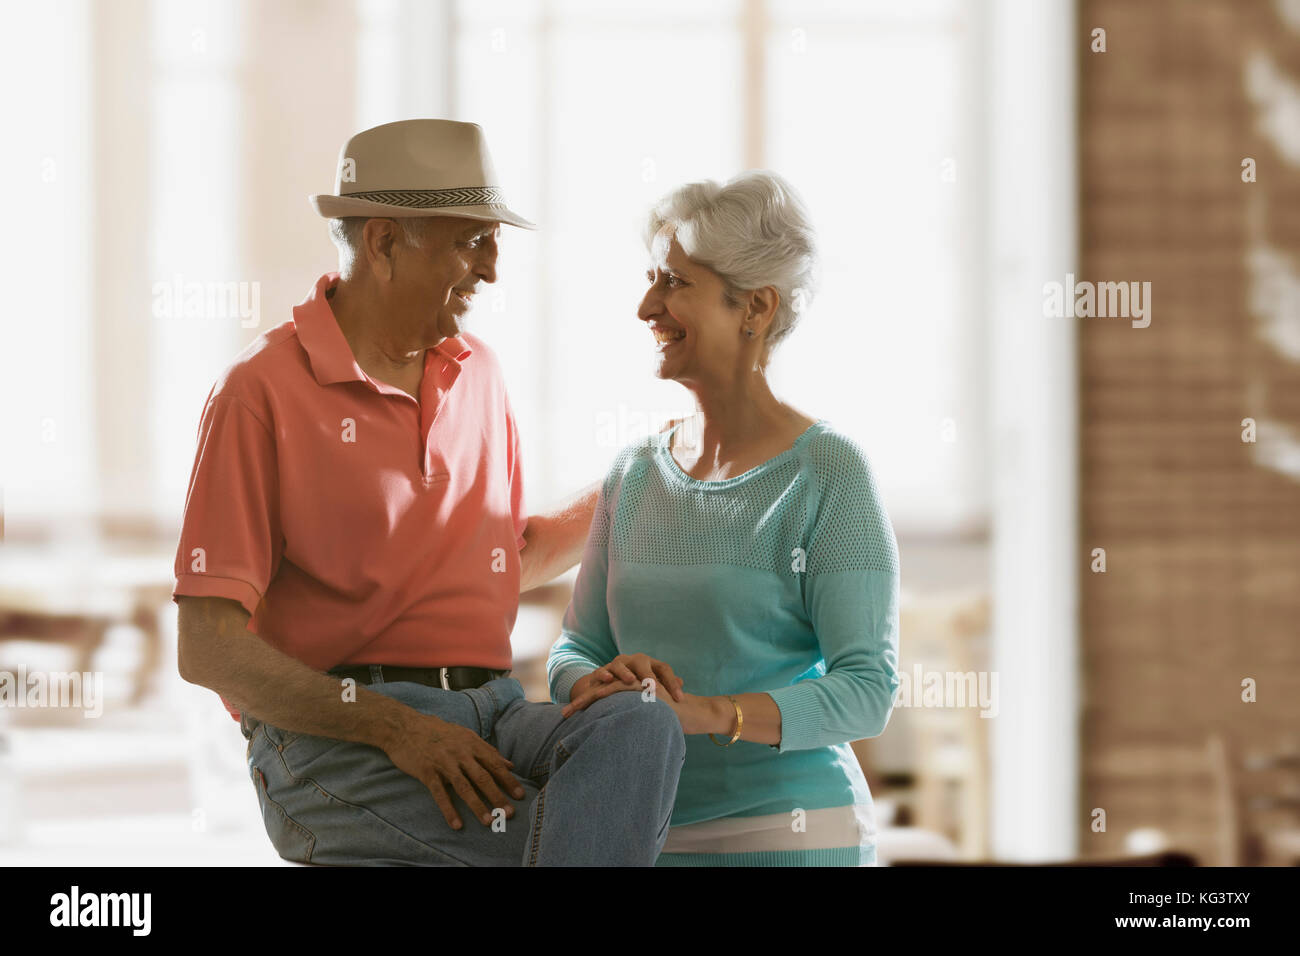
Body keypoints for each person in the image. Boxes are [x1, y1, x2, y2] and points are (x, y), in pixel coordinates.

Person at [173, 119, 684, 866]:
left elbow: (502, 558)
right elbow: (208, 647)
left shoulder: (480, 372)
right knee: (578, 835)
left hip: (496, 717)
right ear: (382, 242)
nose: (492, 268)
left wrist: (648, 469)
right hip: (336, 741)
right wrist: (397, 729)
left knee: (641, 726)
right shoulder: (259, 393)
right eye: (470, 241)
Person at [547, 170, 901, 866]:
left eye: (675, 282)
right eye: (652, 279)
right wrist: (596, 681)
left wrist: (708, 714)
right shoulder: (634, 471)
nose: (647, 305)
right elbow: (574, 648)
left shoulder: (829, 472)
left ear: (755, 308)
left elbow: (866, 692)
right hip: (639, 827)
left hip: (787, 831)